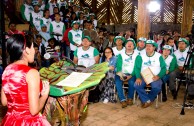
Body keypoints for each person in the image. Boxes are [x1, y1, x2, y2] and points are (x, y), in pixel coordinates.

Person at [1, 34, 50, 125]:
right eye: (32, 47)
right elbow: (34, 110)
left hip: (11, 120)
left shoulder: (7, 70)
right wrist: (44, 95)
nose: (34, 51)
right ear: (27, 50)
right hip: (29, 122)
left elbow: (4, 102)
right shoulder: (32, 73)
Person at [134, 40, 166, 108]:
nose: (148, 47)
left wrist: (158, 76)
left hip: (155, 76)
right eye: (147, 46)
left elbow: (164, 68)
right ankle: (147, 100)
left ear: (154, 47)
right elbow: (137, 68)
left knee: (157, 87)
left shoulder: (159, 56)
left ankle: (148, 100)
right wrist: (138, 77)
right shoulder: (140, 56)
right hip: (143, 76)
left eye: (150, 46)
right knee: (137, 85)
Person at [115, 38, 141, 108]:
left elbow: (137, 68)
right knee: (118, 81)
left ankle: (130, 98)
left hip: (132, 74)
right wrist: (121, 75)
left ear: (134, 46)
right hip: (121, 73)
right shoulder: (121, 55)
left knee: (132, 82)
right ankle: (122, 99)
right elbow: (119, 66)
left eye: (131, 44)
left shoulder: (137, 56)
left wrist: (131, 75)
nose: (129, 45)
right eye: (127, 43)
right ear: (125, 45)